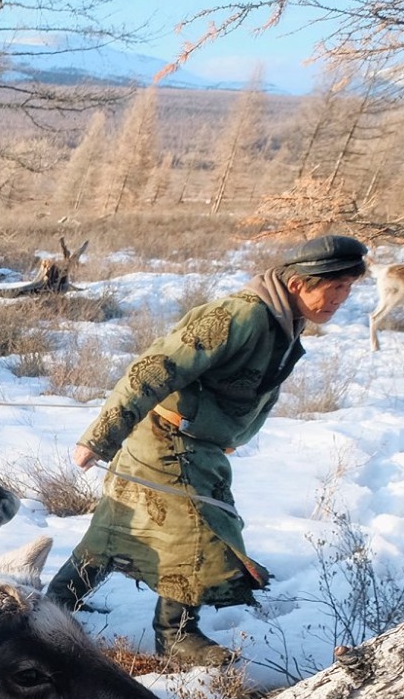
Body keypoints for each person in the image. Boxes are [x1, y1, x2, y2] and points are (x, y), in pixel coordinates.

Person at [47, 234, 369, 665]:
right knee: (199, 533)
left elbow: (252, 389)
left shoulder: (284, 320)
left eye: (347, 289)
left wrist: (232, 435)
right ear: (298, 285)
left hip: (198, 445)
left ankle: (54, 606)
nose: (341, 299)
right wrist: (99, 437)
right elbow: (153, 370)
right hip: (165, 441)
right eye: (335, 289)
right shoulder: (240, 316)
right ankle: (175, 635)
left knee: (112, 531)